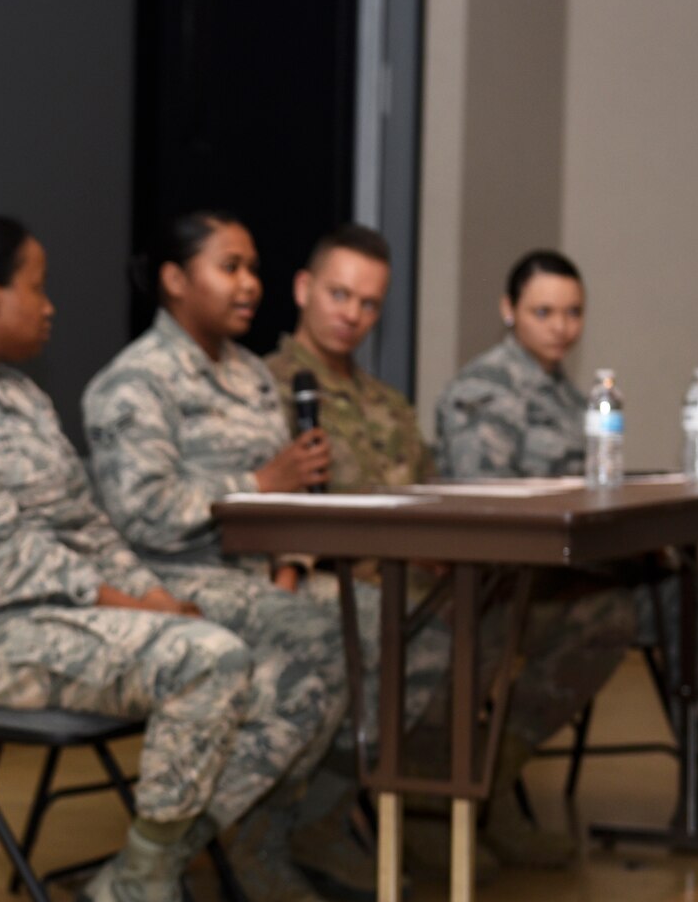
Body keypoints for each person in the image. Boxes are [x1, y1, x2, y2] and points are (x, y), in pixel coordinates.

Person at [0, 214, 343, 902]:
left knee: (278, 640)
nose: (50, 304)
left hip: (51, 610)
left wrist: (154, 594)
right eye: (37, 285)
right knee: (208, 658)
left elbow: (87, 526)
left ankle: (149, 873)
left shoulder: (19, 393)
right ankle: (142, 895)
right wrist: (134, 602)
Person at [83, 210, 451, 902]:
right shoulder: (132, 382)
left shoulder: (251, 375)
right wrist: (256, 484)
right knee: (324, 638)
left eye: (252, 268)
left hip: (261, 576)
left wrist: (290, 563)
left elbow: (295, 497)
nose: (250, 284)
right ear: (174, 280)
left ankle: (309, 819)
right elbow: (143, 515)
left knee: (416, 633)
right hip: (174, 580)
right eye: (230, 267)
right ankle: (212, 851)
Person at [435, 250, 698, 841]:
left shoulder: (568, 395)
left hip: (589, 574)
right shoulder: (484, 390)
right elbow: (489, 510)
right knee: (679, 608)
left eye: (574, 312)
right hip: (530, 589)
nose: (561, 327)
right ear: (509, 310)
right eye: (543, 312)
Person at [263, 225, 638, 868]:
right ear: (303, 289)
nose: (353, 315)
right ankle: (410, 806)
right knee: (459, 628)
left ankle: (485, 781)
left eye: (369, 303)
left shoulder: (387, 403)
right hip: (350, 582)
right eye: (339, 295)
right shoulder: (265, 389)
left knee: (597, 613)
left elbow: (434, 494)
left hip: (428, 576)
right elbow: (274, 516)